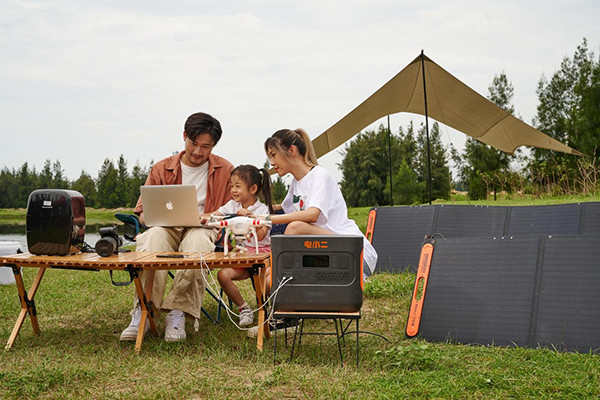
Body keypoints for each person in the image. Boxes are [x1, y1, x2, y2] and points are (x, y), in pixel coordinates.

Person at [120, 112, 234, 342]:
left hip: (204, 227)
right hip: (166, 226)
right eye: (193, 143)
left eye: (206, 146)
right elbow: (141, 214)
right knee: (152, 239)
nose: (198, 152)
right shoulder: (162, 168)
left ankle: (177, 312)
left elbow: (233, 211)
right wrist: (153, 217)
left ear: (214, 146)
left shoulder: (226, 169)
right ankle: (144, 310)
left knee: (198, 242)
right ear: (184, 136)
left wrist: (208, 217)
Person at [264, 128, 378, 278]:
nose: (272, 163)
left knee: (295, 227)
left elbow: (312, 214)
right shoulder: (296, 183)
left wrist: (266, 219)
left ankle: (284, 270)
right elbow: (284, 209)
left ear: (291, 150)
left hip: (355, 254)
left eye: (273, 155)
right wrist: (253, 211)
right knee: (267, 278)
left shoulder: (319, 175)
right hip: (327, 250)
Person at [209, 165, 274, 327]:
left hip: (262, 255)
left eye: (238, 186)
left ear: (253, 189)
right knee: (223, 275)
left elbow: (260, 236)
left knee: (265, 282)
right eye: (232, 186)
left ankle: (267, 308)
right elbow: (214, 216)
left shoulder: (262, 209)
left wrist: (251, 219)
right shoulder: (232, 206)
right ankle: (244, 308)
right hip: (242, 255)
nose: (233, 190)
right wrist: (212, 220)